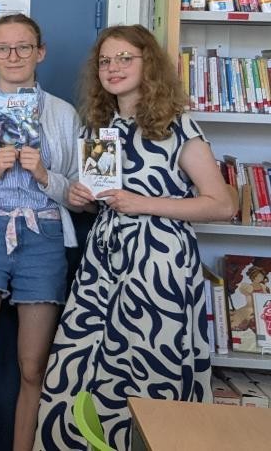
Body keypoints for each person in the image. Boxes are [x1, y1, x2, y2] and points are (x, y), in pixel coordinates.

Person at [35, 25, 237, 451]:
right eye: (105, 61)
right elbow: (101, 203)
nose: (114, 67)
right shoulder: (99, 128)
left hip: (158, 265)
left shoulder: (177, 126)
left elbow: (222, 204)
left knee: (151, 370)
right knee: (78, 365)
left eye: (125, 58)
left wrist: (143, 203)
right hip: (103, 264)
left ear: (149, 64)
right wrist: (79, 198)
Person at [0, 14, 81, 451]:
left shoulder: (63, 113)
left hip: (43, 236)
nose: (13, 56)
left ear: (40, 52)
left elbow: (81, 194)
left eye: (23, 46)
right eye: (3, 48)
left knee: (33, 368)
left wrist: (45, 176)